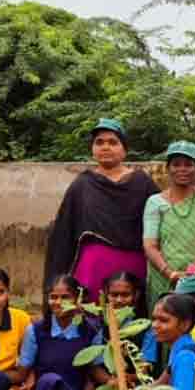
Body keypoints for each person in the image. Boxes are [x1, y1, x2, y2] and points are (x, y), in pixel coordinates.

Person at [44, 118, 159, 302]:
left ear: (124, 149)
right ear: (92, 149)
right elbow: (63, 234)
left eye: (113, 142)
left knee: (132, 320)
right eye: (99, 142)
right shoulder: (82, 185)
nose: (105, 147)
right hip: (92, 269)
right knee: (91, 319)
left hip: (134, 269)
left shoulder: (141, 183)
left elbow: (161, 223)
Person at [16, 275, 105, 390]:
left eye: (65, 297)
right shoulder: (36, 330)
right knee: (51, 380)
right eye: (53, 297)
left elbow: (94, 367)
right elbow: (24, 368)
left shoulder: (91, 329)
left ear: (78, 299)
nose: (57, 302)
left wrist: (94, 388)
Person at [142, 140, 195, 311]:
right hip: (164, 277)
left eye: (188, 164)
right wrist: (171, 273)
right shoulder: (155, 202)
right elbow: (150, 245)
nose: (182, 169)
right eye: (176, 164)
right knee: (167, 324)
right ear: (167, 169)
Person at [150, 293, 195, 390]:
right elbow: (158, 384)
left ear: (184, 324)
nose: (155, 325)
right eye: (154, 319)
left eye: (163, 320)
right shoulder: (180, 350)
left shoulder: (186, 357)